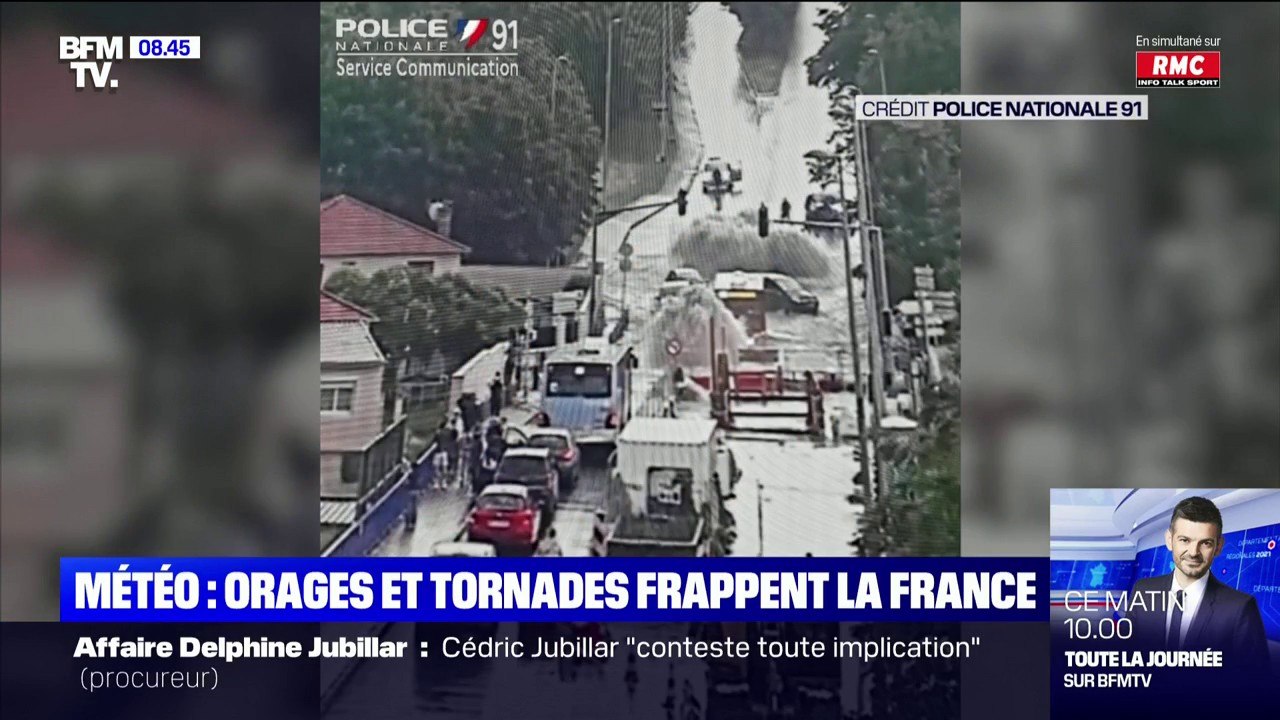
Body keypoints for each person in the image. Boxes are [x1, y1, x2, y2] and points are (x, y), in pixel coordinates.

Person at [1123, 497, 1269, 672]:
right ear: (1170, 540)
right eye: (1184, 540)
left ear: (1218, 546)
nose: (1193, 553)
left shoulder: (1240, 609)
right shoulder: (1144, 590)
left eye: (1205, 543)